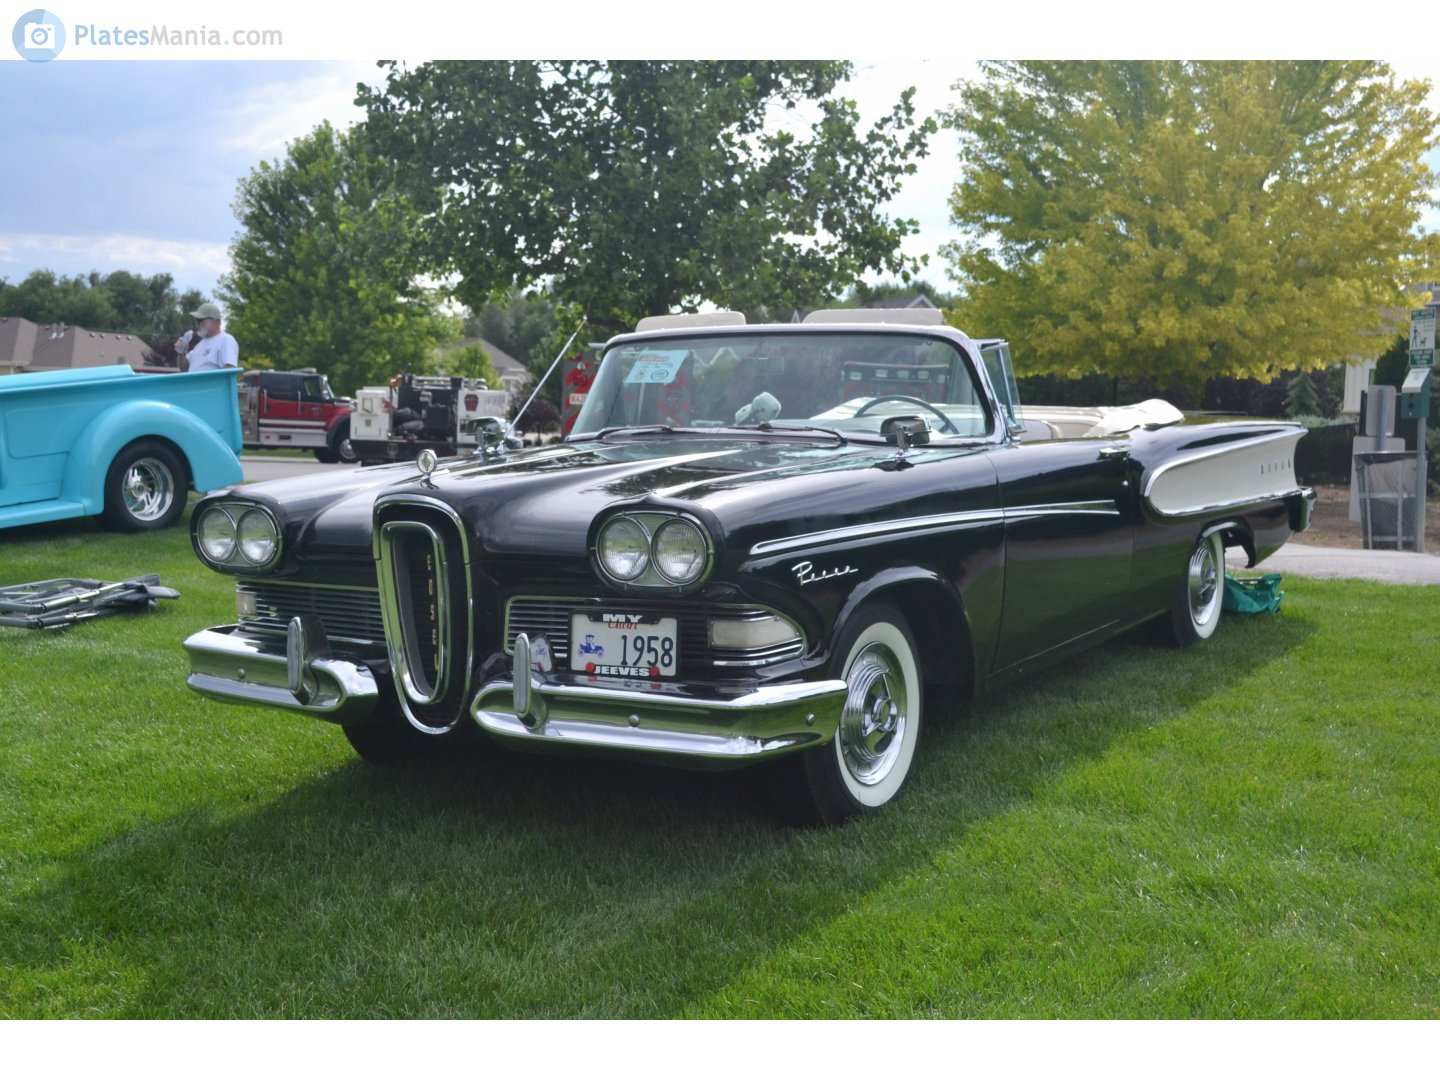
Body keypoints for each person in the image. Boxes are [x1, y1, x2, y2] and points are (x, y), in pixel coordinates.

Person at [175, 302, 239, 372]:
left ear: (214, 321)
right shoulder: (199, 345)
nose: (197, 323)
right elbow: (184, 369)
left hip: (211, 383)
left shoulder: (226, 340)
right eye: (197, 320)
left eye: (200, 320)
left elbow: (230, 371)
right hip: (194, 383)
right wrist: (182, 353)